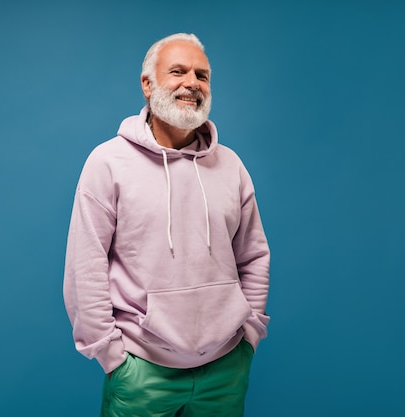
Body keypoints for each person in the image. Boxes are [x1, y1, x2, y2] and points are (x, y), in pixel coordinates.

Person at [63, 32, 270, 417]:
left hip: (226, 368)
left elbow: (254, 254)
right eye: (178, 71)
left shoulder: (232, 166)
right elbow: (85, 266)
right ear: (148, 84)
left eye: (202, 75)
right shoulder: (108, 163)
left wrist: (250, 333)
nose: (192, 83)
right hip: (142, 371)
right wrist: (111, 354)